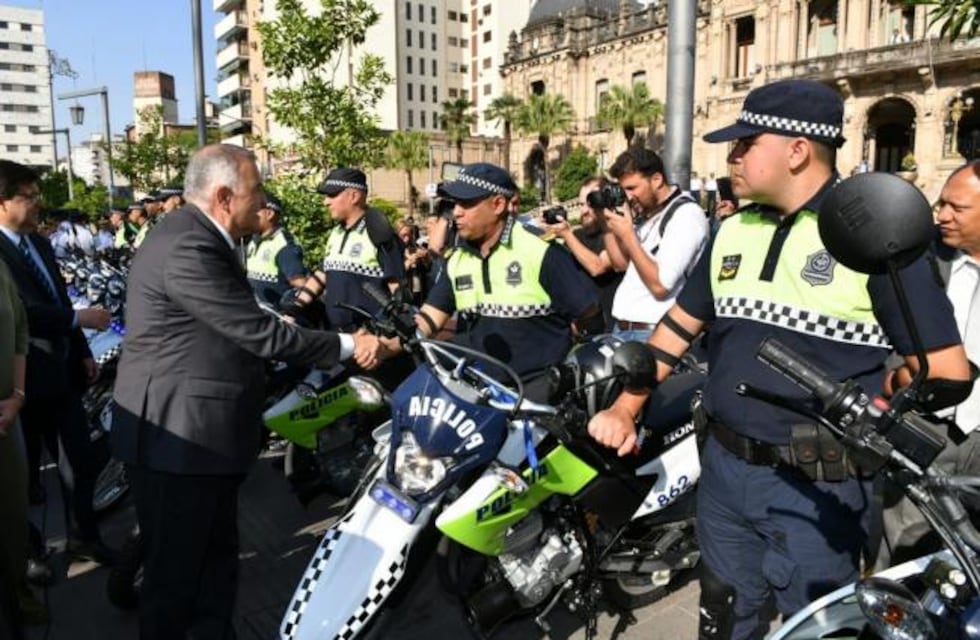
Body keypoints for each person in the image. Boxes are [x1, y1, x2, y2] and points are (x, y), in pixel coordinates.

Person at [586, 79, 972, 640]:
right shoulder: (731, 230)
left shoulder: (872, 235)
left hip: (818, 487)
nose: (733, 157)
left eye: (746, 143)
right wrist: (626, 407)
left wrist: (884, 393)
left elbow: (946, 370)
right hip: (723, 472)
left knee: (817, 627)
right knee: (723, 618)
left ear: (797, 150)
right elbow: (676, 328)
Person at [111, 144, 383, 640]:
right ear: (223, 196)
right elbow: (258, 334)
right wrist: (349, 345)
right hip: (179, 438)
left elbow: (234, 319)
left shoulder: (194, 235)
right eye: (255, 191)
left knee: (209, 572)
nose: (262, 203)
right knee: (178, 585)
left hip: (193, 438)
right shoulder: (189, 245)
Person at [398, 162, 602, 391]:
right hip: (474, 391)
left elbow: (588, 313)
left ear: (497, 204)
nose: (456, 212)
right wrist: (383, 345)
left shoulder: (541, 250)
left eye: (467, 203)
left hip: (536, 394)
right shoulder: (458, 259)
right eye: (455, 203)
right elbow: (429, 318)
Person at [0, 160, 114, 565]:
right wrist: (77, 320)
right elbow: (22, 314)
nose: (37, 203)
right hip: (17, 382)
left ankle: (84, 537)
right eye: (28, 196)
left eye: (37, 195)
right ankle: (30, 553)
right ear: (2, 203)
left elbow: (58, 299)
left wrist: (82, 350)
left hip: (61, 376)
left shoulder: (40, 244)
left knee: (79, 462)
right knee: (23, 478)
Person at [876, 161, 980, 568]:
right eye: (941, 204)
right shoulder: (919, 257)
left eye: (958, 207)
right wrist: (899, 380)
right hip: (927, 428)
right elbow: (893, 326)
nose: (943, 215)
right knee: (906, 552)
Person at [604, 148, 709, 342]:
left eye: (632, 188)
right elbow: (621, 265)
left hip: (652, 332)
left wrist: (628, 235)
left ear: (657, 180)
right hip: (625, 329)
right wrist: (610, 225)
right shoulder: (650, 214)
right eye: (624, 189)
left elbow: (660, 286)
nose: (628, 196)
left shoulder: (686, 215)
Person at [293, 168, 405, 331]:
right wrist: (295, 308)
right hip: (335, 334)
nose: (326, 202)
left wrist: (383, 329)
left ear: (354, 196)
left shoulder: (378, 232)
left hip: (368, 338)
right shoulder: (336, 233)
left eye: (332, 195)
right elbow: (322, 274)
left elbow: (398, 290)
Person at [542, 177, 623, 331]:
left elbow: (598, 267)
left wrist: (567, 235)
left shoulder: (615, 232)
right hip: (581, 329)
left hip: (611, 326)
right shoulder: (576, 236)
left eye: (590, 204)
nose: (584, 211)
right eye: (581, 204)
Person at [0, 257, 29, 639]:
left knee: (12, 523)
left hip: (6, 424)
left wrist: (18, 396)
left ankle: (16, 600)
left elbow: (20, 328)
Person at [245, 193, 308, 306]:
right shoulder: (253, 242)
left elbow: (301, 283)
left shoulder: (283, 244)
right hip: (254, 311)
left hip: (276, 314)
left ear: (269, 214)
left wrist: (293, 311)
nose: (250, 214)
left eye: (256, 210)